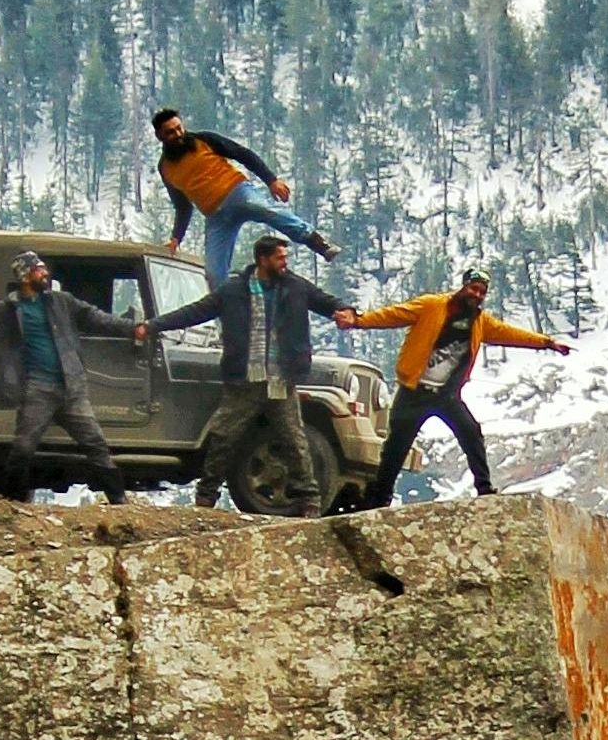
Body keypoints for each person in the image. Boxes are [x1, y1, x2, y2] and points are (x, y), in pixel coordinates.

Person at [150, 233, 356, 514]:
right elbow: (195, 312)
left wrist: (347, 312)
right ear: (263, 259)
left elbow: (326, 301)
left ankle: (310, 503)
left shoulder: (295, 287)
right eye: (279, 257)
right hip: (244, 380)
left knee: (295, 440)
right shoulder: (233, 291)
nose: (285, 262)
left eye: (286, 257)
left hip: (280, 380)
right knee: (223, 437)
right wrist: (153, 326)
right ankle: (206, 498)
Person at [0, 250, 150, 503]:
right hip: (37, 389)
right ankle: (11, 503)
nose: (45, 273)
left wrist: (132, 329)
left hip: (71, 387)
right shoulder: (3, 312)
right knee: (23, 448)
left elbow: (97, 318)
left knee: (95, 444)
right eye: (39, 270)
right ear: (25, 276)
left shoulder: (62, 302)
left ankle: (119, 501)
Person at [338, 267, 569, 503]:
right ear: (463, 286)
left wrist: (547, 343)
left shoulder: (480, 322)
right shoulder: (431, 306)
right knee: (396, 448)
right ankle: (378, 498)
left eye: (482, 292)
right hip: (413, 392)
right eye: (473, 288)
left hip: (446, 395)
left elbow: (511, 334)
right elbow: (394, 315)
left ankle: (484, 489)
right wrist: (358, 320)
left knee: (471, 433)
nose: (477, 295)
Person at [153, 107, 337, 282]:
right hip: (216, 216)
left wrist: (271, 180)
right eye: (171, 132)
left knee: (267, 210)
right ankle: (229, 311)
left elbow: (243, 154)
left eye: (179, 128)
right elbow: (183, 206)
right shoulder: (166, 168)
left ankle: (318, 243)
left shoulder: (204, 140)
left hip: (236, 192)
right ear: (160, 136)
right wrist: (176, 237)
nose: (178, 135)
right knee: (214, 273)